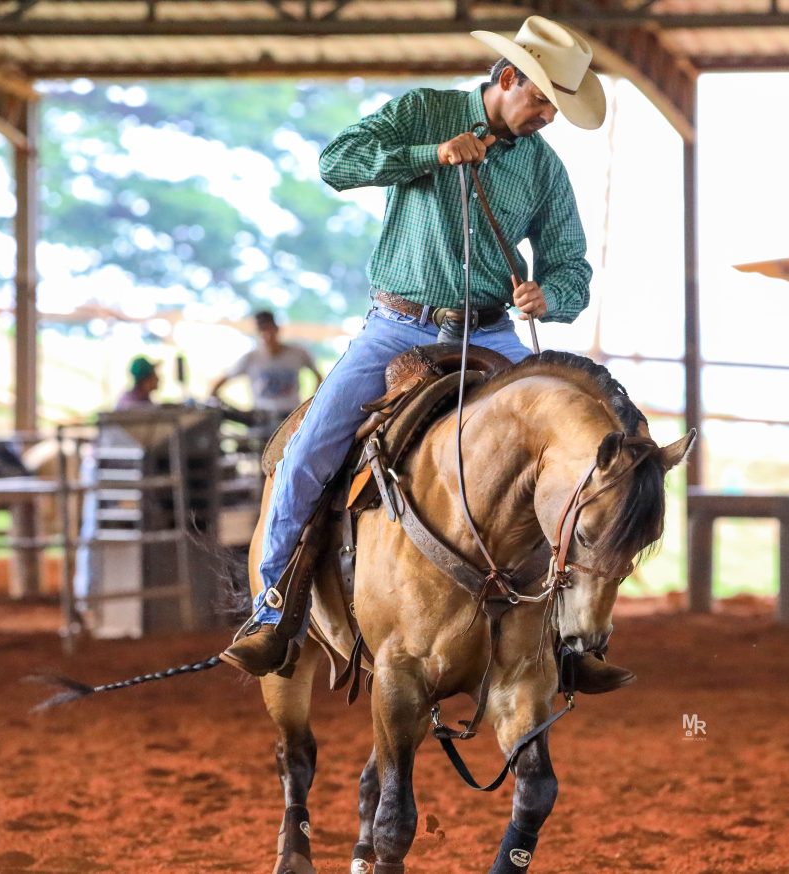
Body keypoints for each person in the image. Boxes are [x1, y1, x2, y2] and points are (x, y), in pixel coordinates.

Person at [221, 15, 605, 677]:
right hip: (396, 327)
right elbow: (335, 164)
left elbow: (572, 264)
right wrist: (430, 155)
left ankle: (568, 635)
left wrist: (552, 295)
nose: (547, 115)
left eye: (556, 105)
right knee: (309, 451)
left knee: (576, 458)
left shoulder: (544, 168)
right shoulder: (423, 111)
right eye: (541, 98)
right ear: (507, 77)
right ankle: (272, 610)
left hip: (491, 330)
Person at [209, 310, 322, 429]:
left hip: (290, 417)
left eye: (270, 329)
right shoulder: (251, 358)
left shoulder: (298, 354)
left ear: (277, 329)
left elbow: (318, 377)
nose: (267, 335)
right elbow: (218, 383)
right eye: (262, 330)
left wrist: (309, 407)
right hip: (261, 419)